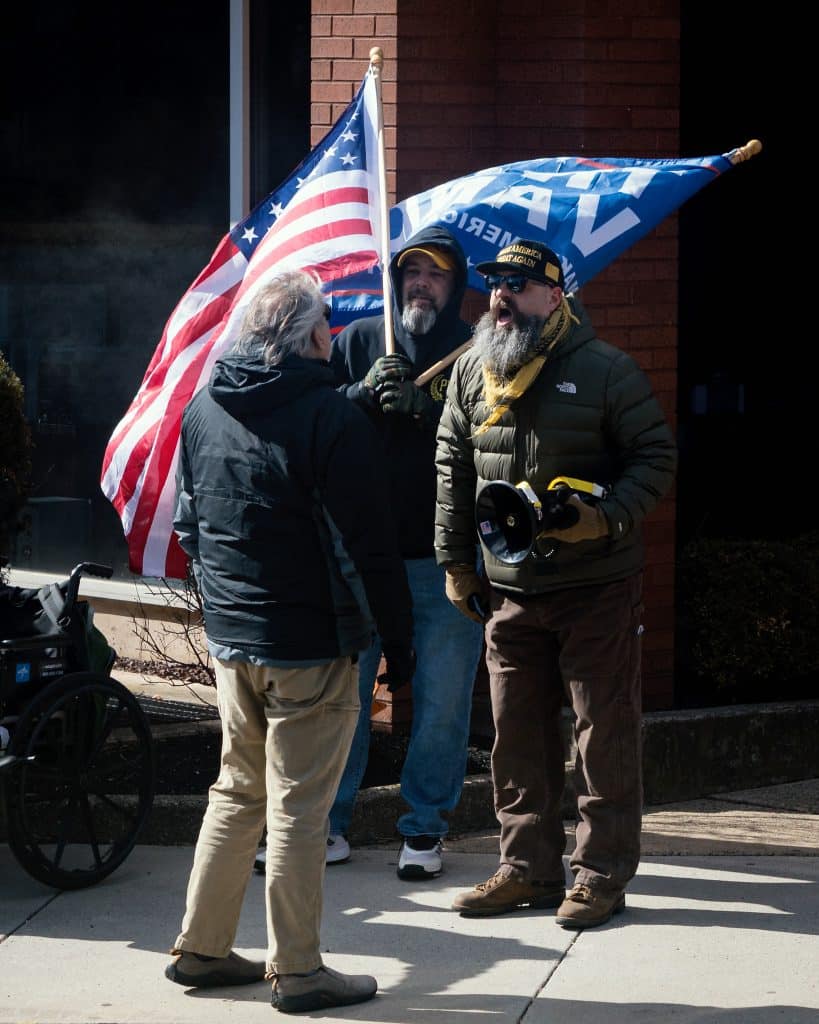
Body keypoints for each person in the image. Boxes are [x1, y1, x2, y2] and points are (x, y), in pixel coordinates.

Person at [165, 270, 415, 1014]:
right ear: (309, 337)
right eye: (326, 325)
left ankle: (202, 948)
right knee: (299, 809)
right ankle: (299, 972)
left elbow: (191, 528)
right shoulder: (332, 422)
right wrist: (399, 646)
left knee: (236, 790)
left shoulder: (204, 405)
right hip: (309, 642)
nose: (333, 335)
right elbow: (372, 547)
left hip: (233, 638)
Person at [435, 239, 677, 929]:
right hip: (508, 588)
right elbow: (451, 470)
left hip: (595, 586)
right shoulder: (469, 372)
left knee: (601, 737)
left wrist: (602, 520)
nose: (501, 297)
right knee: (515, 737)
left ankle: (599, 876)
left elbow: (654, 458)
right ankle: (526, 870)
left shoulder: (605, 369)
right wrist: (454, 563)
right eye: (494, 285)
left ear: (555, 296)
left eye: (518, 284)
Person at [306, 225, 484, 882]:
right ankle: (327, 823)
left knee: (441, 703)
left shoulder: (476, 352)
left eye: (435, 274)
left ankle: (424, 828)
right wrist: (356, 396)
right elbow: (312, 427)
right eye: (411, 271)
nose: (421, 282)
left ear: (455, 285)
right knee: (341, 700)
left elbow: (497, 444)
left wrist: (424, 412)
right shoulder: (356, 342)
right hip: (356, 560)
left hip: (444, 562)